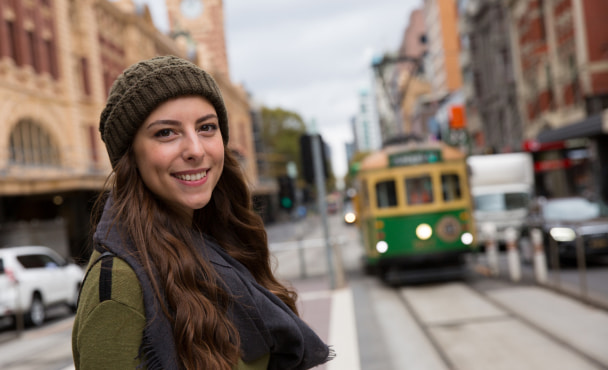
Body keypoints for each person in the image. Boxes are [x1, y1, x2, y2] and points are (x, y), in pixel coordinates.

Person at [72, 55, 333, 370]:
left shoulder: (221, 246)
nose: (196, 149)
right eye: (166, 132)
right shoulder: (118, 286)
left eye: (207, 127)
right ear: (131, 155)